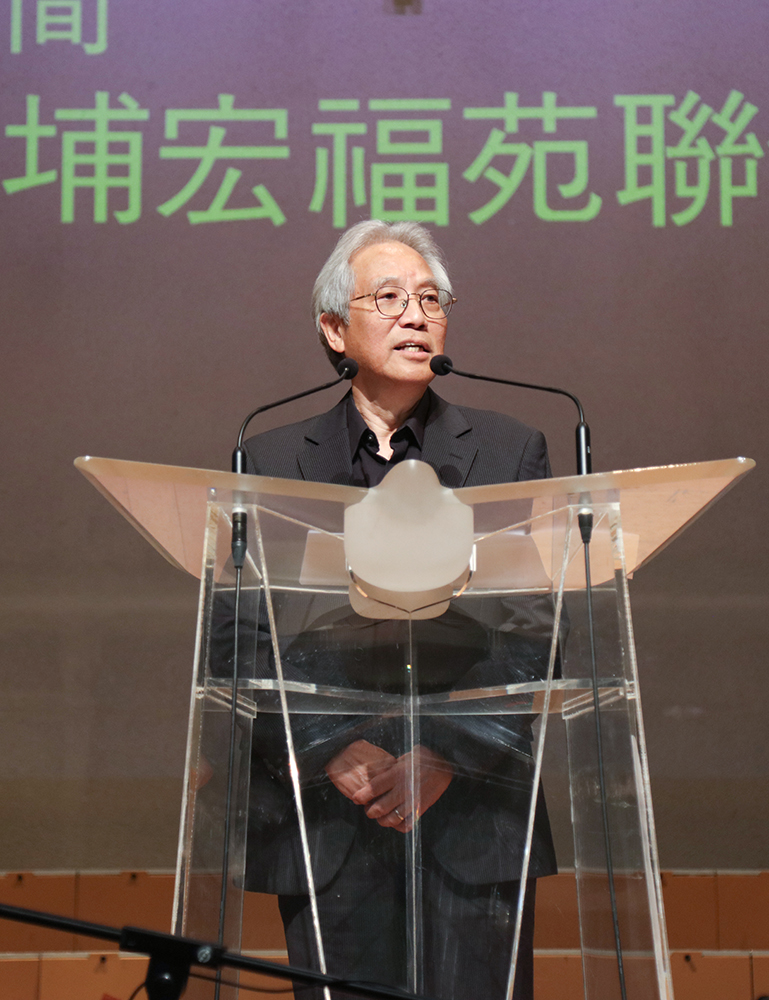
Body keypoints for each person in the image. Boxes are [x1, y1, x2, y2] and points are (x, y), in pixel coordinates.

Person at [240, 220, 556, 1000]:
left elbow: (536, 627)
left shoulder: (511, 451)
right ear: (333, 330)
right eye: (388, 298)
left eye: (430, 299)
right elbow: (239, 634)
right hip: (326, 817)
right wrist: (331, 749)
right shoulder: (269, 460)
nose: (416, 315)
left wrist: (443, 755)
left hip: (474, 814)